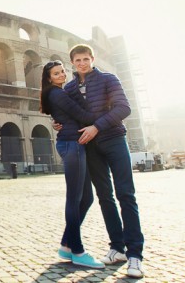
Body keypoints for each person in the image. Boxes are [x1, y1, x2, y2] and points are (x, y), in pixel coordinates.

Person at [63, 44, 144, 278]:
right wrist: (60, 124)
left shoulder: (108, 79)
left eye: (85, 59)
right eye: (77, 60)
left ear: (92, 58)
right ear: (72, 63)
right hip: (90, 147)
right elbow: (68, 116)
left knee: (126, 195)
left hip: (114, 140)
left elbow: (123, 108)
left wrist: (97, 126)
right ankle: (117, 247)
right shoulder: (69, 89)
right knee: (104, 197)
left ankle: (135, 255)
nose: (82, 63)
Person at [40, 60, 104, 269]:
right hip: (71, 145)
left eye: (62, 72)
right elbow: (82, 115)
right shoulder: (57, 93)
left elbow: (69, 116)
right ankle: (77, 251)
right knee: (75, 198)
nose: (61, 75)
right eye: (56, 73)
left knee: (86, 197)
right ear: (49, 78)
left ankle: (66, 244)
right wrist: (107, 115)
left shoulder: (56, 93)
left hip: (73, 144)